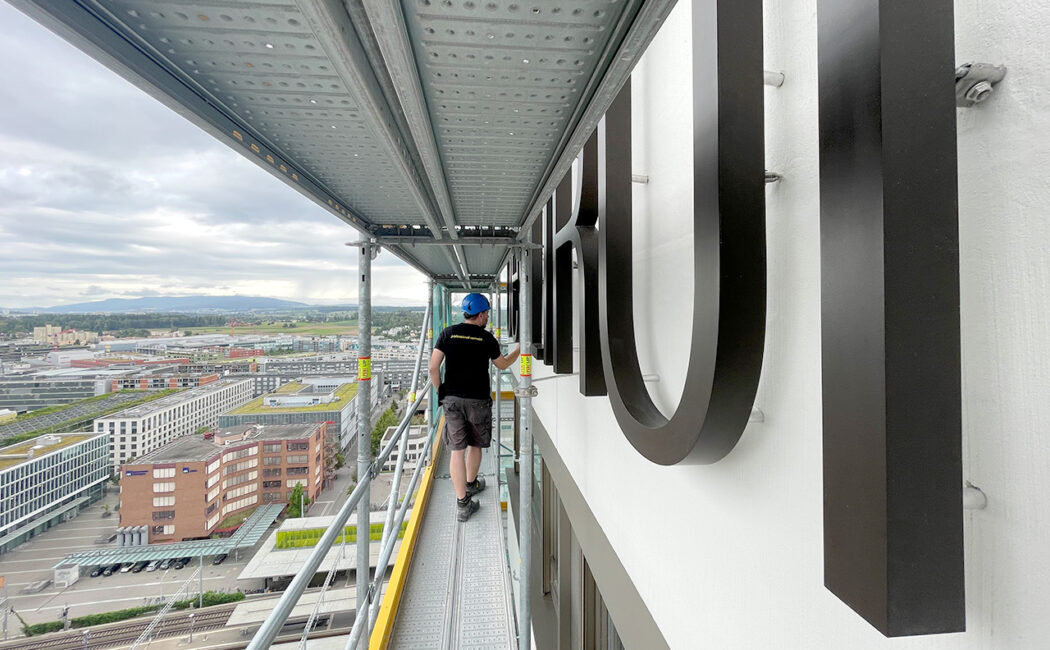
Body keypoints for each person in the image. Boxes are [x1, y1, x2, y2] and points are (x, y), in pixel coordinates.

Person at [429, 292, 520, 521]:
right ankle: (470, 483)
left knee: (457, 451)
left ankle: (463, 504)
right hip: (478, 400)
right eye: (487, 313)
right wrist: (521, 348)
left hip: (452, 399)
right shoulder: (486, 338)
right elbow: (503, 364)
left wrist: (442, 391)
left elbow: (433, 368)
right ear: (480, 315)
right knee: (475, 445)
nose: (487, 317)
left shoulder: (448, 333)